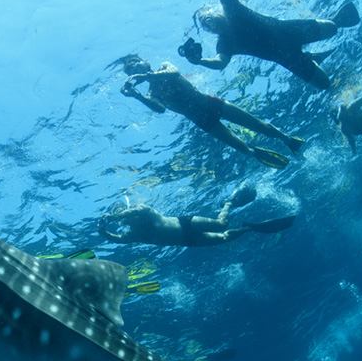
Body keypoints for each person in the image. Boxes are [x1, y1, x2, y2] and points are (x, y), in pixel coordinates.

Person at [165, 0, 360, 89]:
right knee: (325, 85)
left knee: (333, 28)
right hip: (286, 57)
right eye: (207, 27)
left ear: (216, 13)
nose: (210, 25)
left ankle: (325, 35)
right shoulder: (224, 43)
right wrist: (199, 61)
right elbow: (221, 63)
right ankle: (310, 58)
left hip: (291, 31)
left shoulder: (233, 10)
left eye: (209, 19)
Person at [120, 55, 303, 169]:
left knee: (258, 125)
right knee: (242, 148)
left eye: (136, 63)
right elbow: (159, 109)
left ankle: (288, 140)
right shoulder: (152, 93)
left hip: (211, 103)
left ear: (145, 62)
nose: (135, 68)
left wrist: (147, 76)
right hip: (201, 120)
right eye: (130, 70)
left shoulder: (163, 66)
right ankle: (256, 153)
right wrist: (137, 96)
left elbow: (175, 72)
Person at [98, 184, 295, 246]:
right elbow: (118, 240)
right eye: (121, 217)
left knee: (221, 225)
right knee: (224, 238)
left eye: (122, 214)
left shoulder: (144, 212)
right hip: (187, 241)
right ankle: (249, 227)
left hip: (187, 224)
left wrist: (114, 217)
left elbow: (138, 210)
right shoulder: (136, 234)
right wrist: (103, 232)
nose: (124, 218)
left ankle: (228, 203)